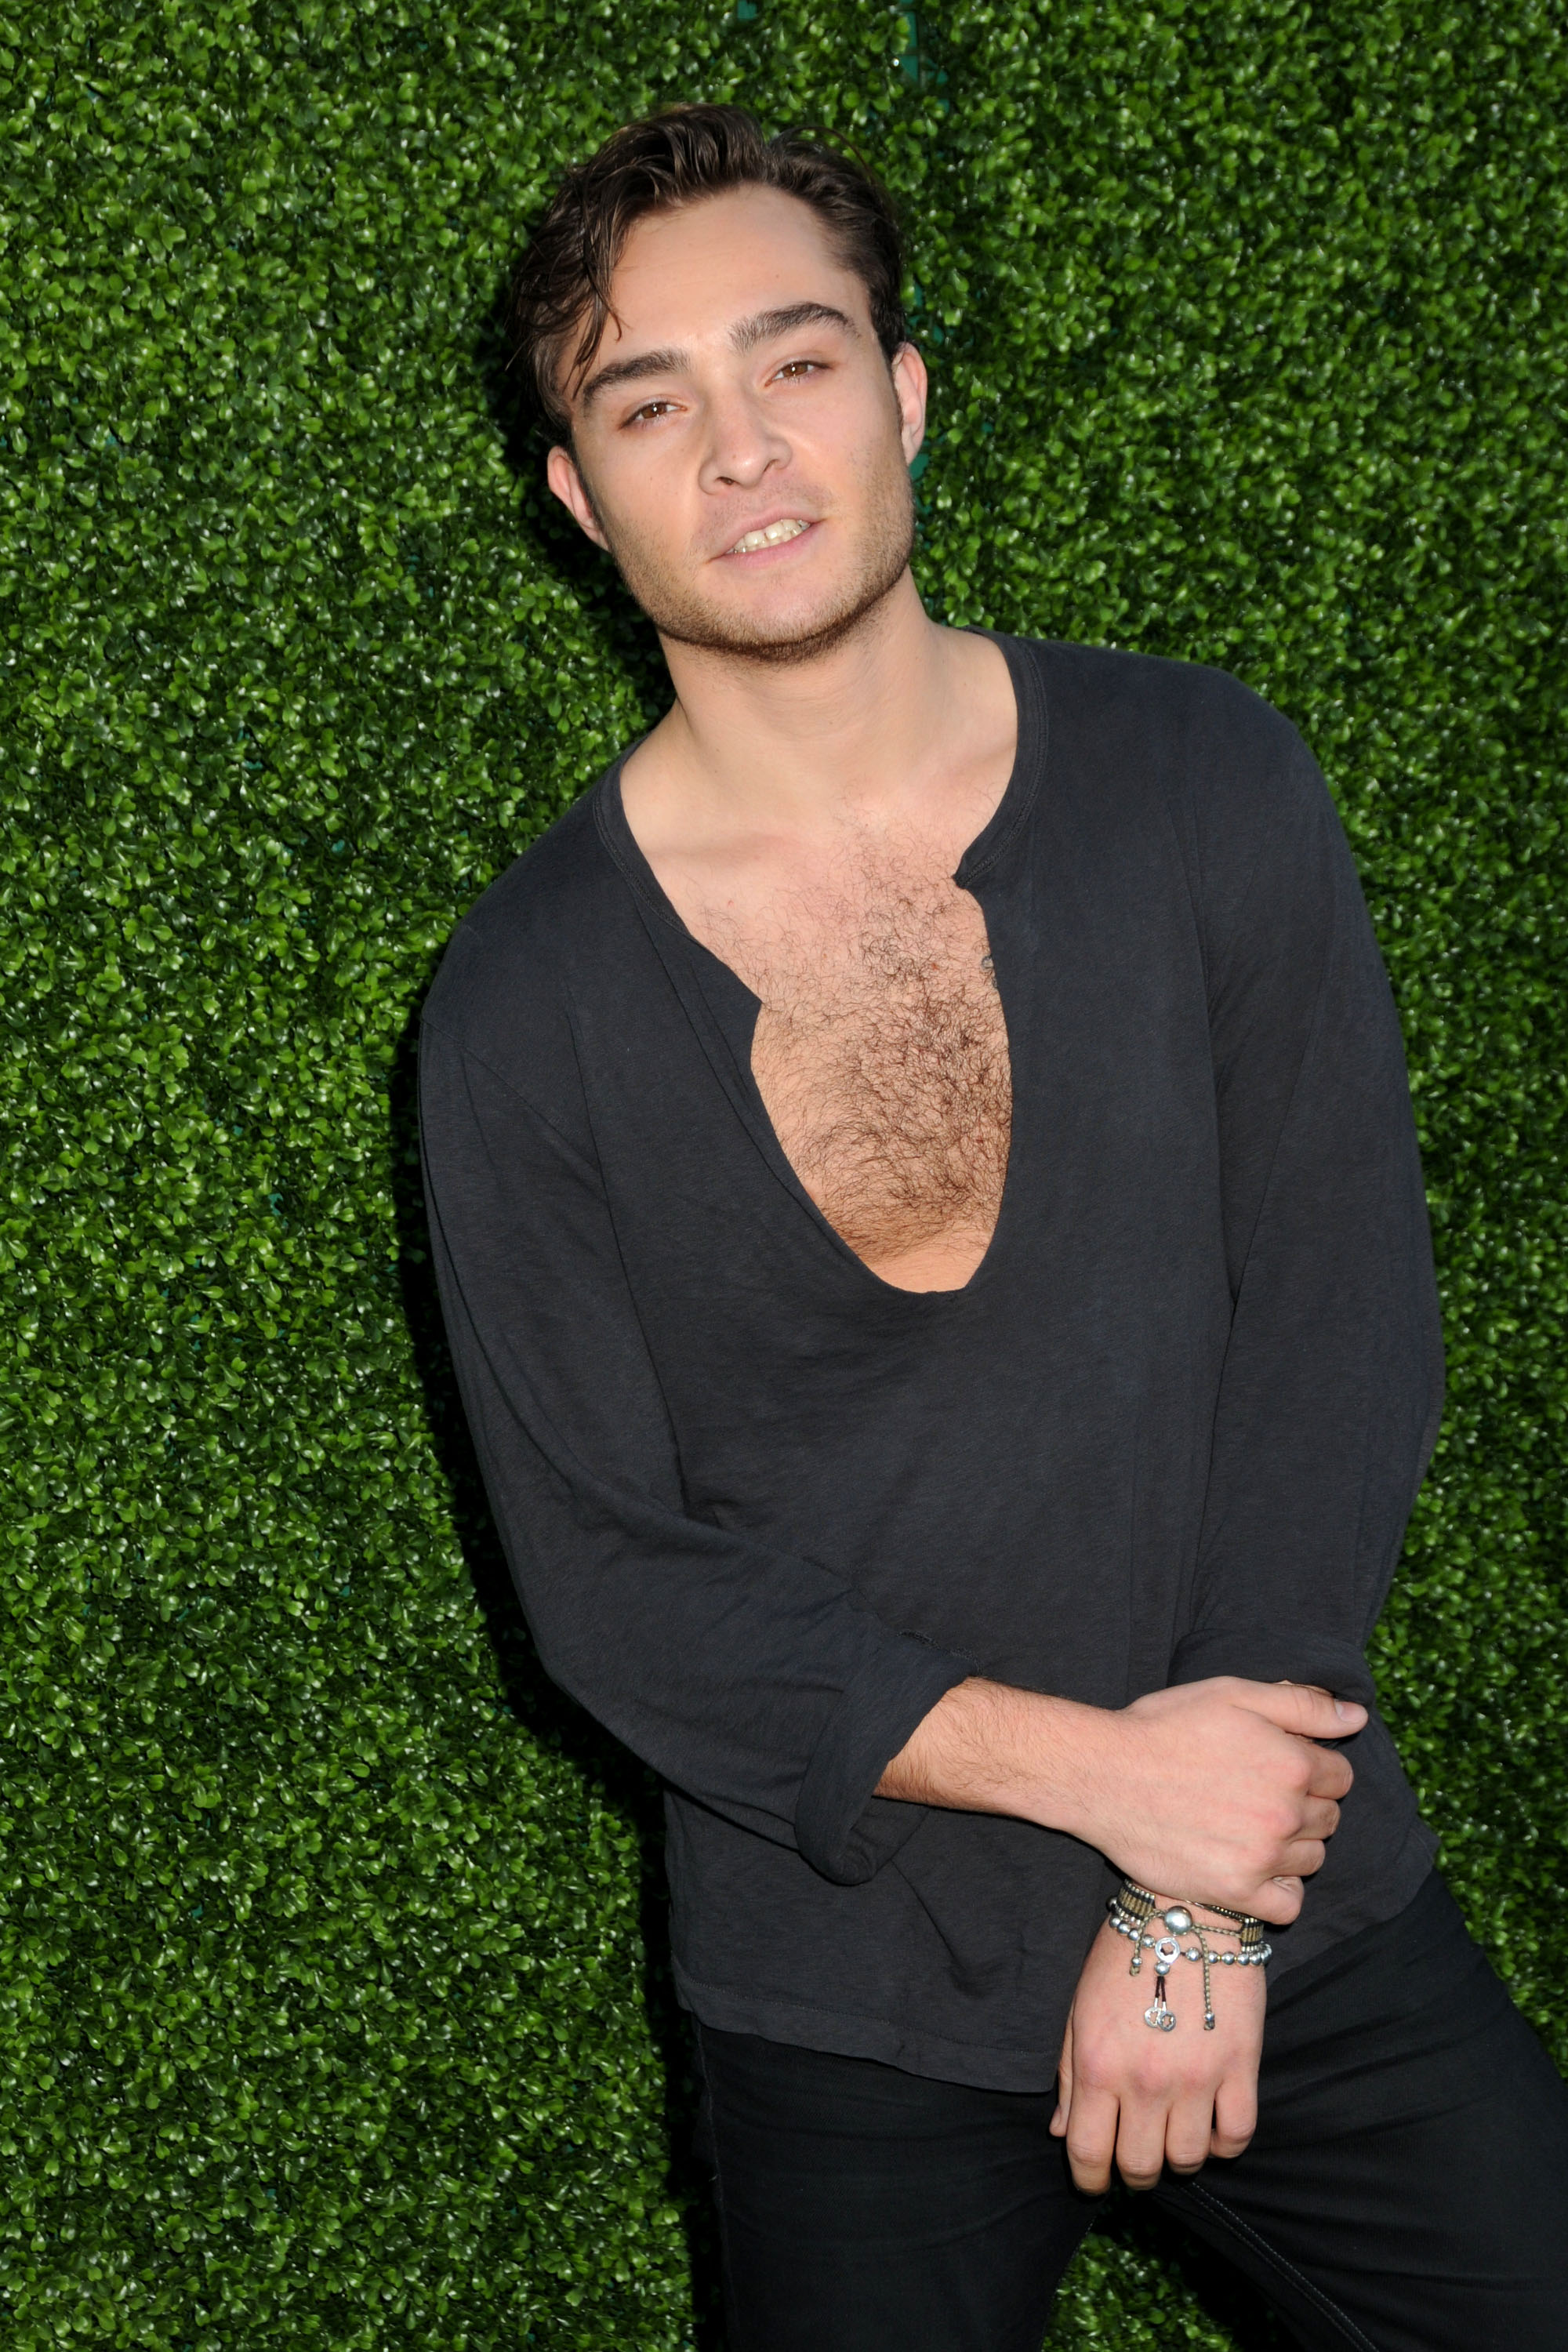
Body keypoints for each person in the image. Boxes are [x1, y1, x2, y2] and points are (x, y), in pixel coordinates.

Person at [419, 103, 1568, 2352]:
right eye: (649, 405)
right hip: (844, 1994)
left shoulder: (1207, 782)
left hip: (1289, 1905)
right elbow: (614, 1583)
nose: (741, 449)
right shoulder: (521, 1008)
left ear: (908, 391)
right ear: (578, 496)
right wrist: (1119, 1787)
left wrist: (1201, 1899)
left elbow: (1336, 1335)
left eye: (796, 361)